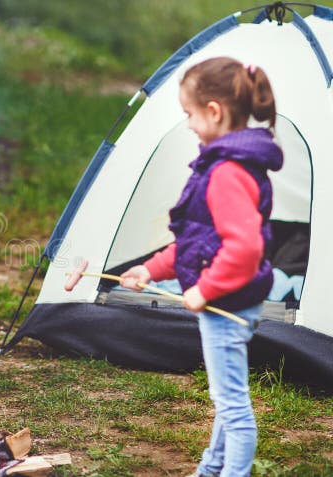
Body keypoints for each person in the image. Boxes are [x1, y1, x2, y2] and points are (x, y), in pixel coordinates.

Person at [118, 57, 283, 477]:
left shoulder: (226, 172)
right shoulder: (221, 165)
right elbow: (196, 243)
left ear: (214, 111)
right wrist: (149, 270)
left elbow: (243, 249)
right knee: (226, 397)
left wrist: (206, 289)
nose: (188, 123)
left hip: (226, 304)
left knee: (233, 405)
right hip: (231, 300)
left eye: (189, 113)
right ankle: (211, 469)